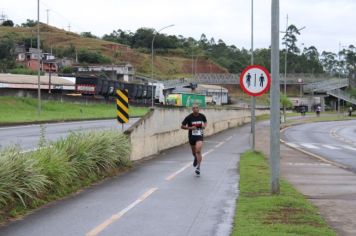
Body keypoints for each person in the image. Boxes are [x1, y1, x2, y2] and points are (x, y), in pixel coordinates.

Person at [181, 104, 207, 176]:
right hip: (192, 136)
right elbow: (182, 126)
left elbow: (205, 122)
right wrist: (190, 128)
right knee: (194, 152)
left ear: (199, 109)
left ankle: (198, 167)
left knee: (198, 151)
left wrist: (204, 126)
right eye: (194, 108)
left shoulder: (202, 116)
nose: (195, 109)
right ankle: (195, 158)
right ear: (192, 109)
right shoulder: (189, 117)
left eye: (197, 108)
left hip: (199, 136)